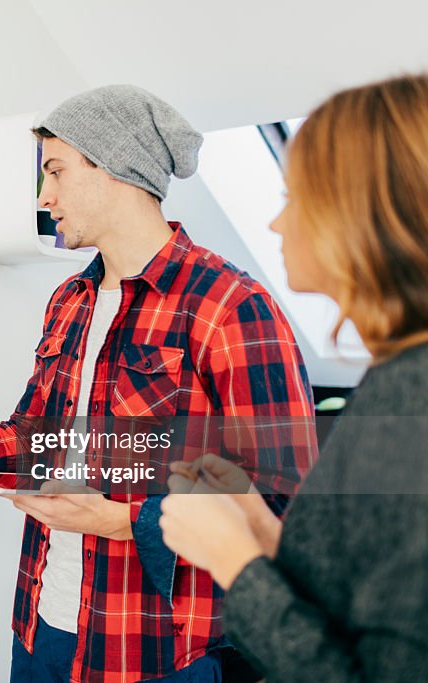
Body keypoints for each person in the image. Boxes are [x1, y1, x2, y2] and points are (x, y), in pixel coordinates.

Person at [0, 85, 316, 681]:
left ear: (116, 170)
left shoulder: (230, 306)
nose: (44, 196)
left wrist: (124, 521)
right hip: (43, 630)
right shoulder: (70, 301)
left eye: (55, 171)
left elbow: (282, 497)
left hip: (157, 653)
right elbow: (37, 443)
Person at [159, 74, 428, 681]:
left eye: (293, 196)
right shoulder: (396, 380)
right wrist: (259, 527)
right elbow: (369, 598)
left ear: (361, 213)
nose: (277, 226)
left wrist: (235, 561)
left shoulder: (413, 402)